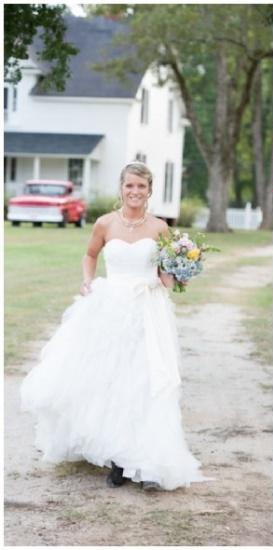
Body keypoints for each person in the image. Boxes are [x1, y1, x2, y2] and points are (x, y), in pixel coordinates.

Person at [21, 161, 209, 490]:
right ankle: (115, 457)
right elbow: (90, 255)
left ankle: (147, 460)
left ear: (150, 191)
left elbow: (164, 279)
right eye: (129, 186)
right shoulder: (105, 224)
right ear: (121, 188)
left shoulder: (161, 228)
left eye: (141, 186)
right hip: (110, 307)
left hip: (148, 311)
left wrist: (180, 272)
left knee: (146, 381)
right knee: (110, 380)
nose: (135, 192)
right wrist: (87, 281)